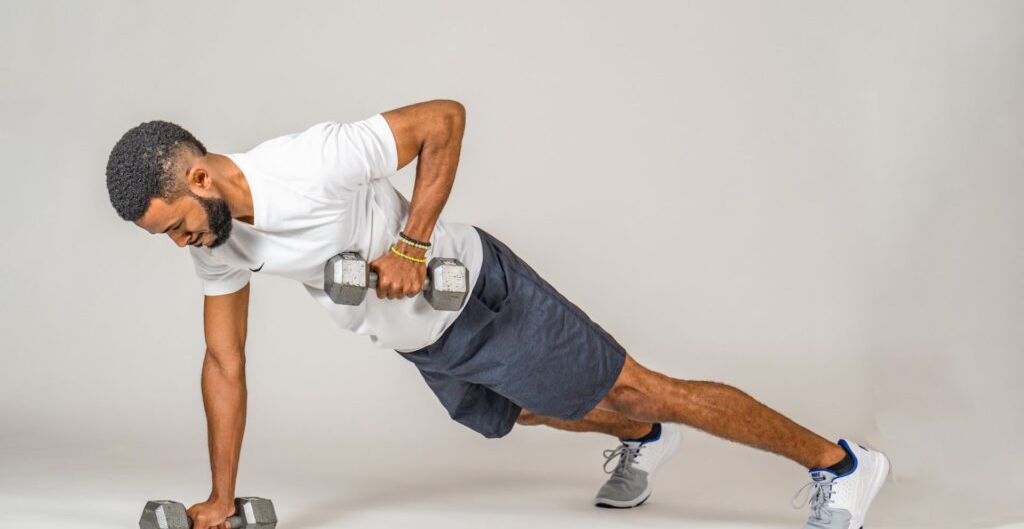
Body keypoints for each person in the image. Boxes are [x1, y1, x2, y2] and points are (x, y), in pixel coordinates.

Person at [106, 100, 889, 529]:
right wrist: (218, 497)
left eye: (173, 225)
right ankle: (645, 441)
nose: (180, 245)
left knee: (641, 387)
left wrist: (411, 244)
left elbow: (443, 118)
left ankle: (841, 463)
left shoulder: (309, 162)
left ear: (199, 176)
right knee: (511, 416)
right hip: (420, 341)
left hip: (480, 295)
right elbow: (224, 363)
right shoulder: (218, 243)